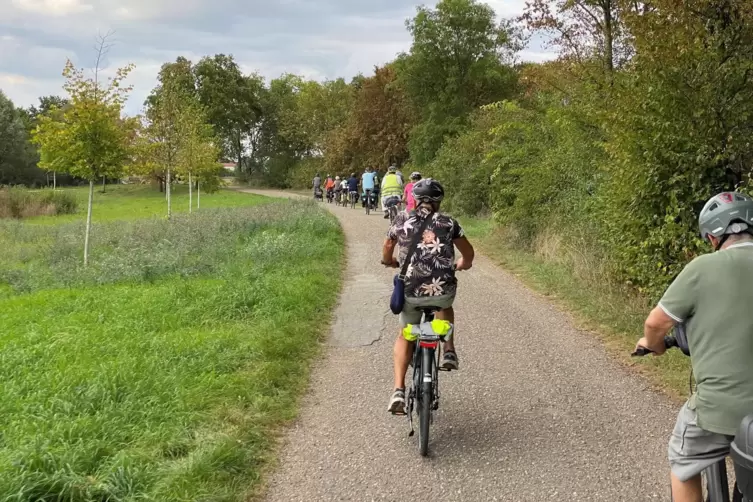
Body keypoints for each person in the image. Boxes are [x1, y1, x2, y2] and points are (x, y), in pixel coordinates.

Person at [634, 191, 753, 502]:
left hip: (720, 411)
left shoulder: (702, 268)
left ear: (713, 238)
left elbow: (656, 324)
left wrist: (653, 345)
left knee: (683, 462)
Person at [381, 178, 475, 414]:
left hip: (411, 293)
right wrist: (463, 263)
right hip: (441, 290)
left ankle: (398, 390)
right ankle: (449, 350)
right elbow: (468, 252)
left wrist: (389, 261)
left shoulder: (401, 219)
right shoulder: (449, 222)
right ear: (439, 201)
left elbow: (387, 247)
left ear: (414, 199)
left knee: (404, 335)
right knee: (445, 303)